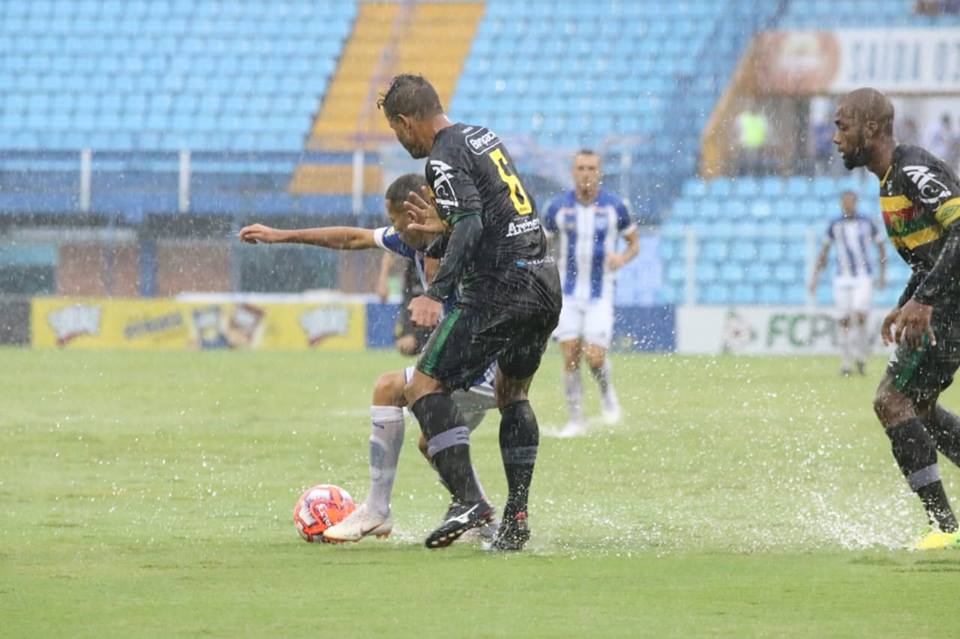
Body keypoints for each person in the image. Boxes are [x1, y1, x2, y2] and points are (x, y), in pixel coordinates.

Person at [238, 173, 498, 543]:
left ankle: (377, 510)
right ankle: (484, 518)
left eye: (395, 220)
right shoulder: (413, 243)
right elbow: (352, 237)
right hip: (467, 364)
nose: (393, 228)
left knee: (388, 388)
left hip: (488, 360)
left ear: (416, 211)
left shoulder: (464, 238)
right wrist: (282, 235)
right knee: (432, 442)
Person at [379, 73, 562, 550]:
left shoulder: (441, 156)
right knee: (513, 393)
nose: (403, 144)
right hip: (543, 279)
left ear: (406, 121)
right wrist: (446, 223)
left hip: (500, 287)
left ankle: (469, 501)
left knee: (422, 385)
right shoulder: (482, 137)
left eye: (398, 133)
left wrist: (434, 293)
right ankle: (516, 518)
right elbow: (501, 208)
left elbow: (473, 223)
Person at [834, 87, 960, 550]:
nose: (834, 137)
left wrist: (923, 301)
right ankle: (945, 526)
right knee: (920, 410)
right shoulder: (888, 181)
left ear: (872, 128)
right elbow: (931, 255)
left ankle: (944, 527)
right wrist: (905, 299)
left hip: (951, 305)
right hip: (942, 300)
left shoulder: (912, 170)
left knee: (892, 402)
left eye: (842, 126)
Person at [542, 150, 639, 437]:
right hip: (567, 294)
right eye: (581, 168)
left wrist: (621, 259)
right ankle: (576, 419)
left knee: (595, 357)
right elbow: (541, 246)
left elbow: (634, 244)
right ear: (573, 172)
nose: (586, 173)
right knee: (570, 353)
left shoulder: (615, 207)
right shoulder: (557, 207)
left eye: (591, 168)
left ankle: (608, 395)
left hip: (600, 292)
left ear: (599, 173)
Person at [808, 191, 887, 376]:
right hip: (841, 278)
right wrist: (814, 279)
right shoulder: (835, 224)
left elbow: (881, 247)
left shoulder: (867, 223)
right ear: (841, 204)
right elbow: (824, 252)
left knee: (860, 315)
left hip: (863, 276)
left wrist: (883, 274)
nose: (848, 205)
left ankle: (861, 356)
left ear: (856, 202)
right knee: (843, 320)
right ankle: (846, 363)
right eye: (845, 202)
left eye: (851, 202)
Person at [376, 251, 432, 356]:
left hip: (439, 294)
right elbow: (389, 250)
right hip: (413, 292)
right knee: (406, 344)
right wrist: (383, 280)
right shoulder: (411, 240)